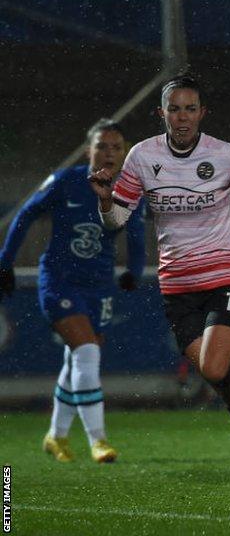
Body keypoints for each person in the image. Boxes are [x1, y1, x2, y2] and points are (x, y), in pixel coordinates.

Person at [88, 75, 230, 488]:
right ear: (161, 113)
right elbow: (117, 221)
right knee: (225, 385)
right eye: (174, 108)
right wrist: (105, 200)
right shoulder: (142, 157)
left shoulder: (224, 156)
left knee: (214, 366)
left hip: (226, 276)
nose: (182, 117)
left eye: (190, 108)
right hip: (176, 286)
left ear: (202, 113)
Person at [0, 119, 146, 464]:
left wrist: (134, 272)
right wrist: (5, 261)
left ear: (123, 153)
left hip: (98, 286)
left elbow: (137, 235)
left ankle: (56, 436)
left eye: (116, 147)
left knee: (77, 357)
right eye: (102, 146)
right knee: (86, 353)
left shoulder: (129, 191)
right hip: (59, 281)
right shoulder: (66, 181)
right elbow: (25, 214)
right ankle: (98, 440)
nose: (109, 153)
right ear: (88, 151)